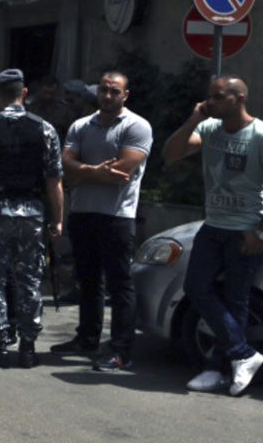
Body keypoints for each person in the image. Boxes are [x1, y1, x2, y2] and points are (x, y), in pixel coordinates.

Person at [161, 75, 263, 396]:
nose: (210, 102)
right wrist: (194, 117)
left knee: (236, 300)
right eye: (209, 96)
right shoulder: (208, 128)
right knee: (196, 287)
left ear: (239, 98)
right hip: (213, 225)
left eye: (218, 97)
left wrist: (258, 230)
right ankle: (243, 354)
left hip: (244, 229)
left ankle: (218, 369)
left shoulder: (259, 134)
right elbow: (170, 153)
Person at [50, 71, 152, 372]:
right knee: (88, 281)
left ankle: (121, 350)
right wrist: (95, 172)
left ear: (125, 95)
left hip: (117, 216)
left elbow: (122, 170)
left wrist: (80, 171)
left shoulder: (137, 126)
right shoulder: (82, 125)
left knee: (119, 284)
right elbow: (63, 165)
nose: (108, 96)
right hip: (82, 213)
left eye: (114, 91)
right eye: (104, 90)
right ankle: (87, 338)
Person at [0, 69, 64, 368]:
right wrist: (58, 220)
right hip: (32, 213)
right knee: (30, 279)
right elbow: (54, 181)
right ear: (24, 94)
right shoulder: (45, 129)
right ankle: (29, 347)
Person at [27, 75, 77, 142]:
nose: (48, 96)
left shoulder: (64, 111)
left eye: (51, 93)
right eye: (45, 92)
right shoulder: (29, 107)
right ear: (40, 90)